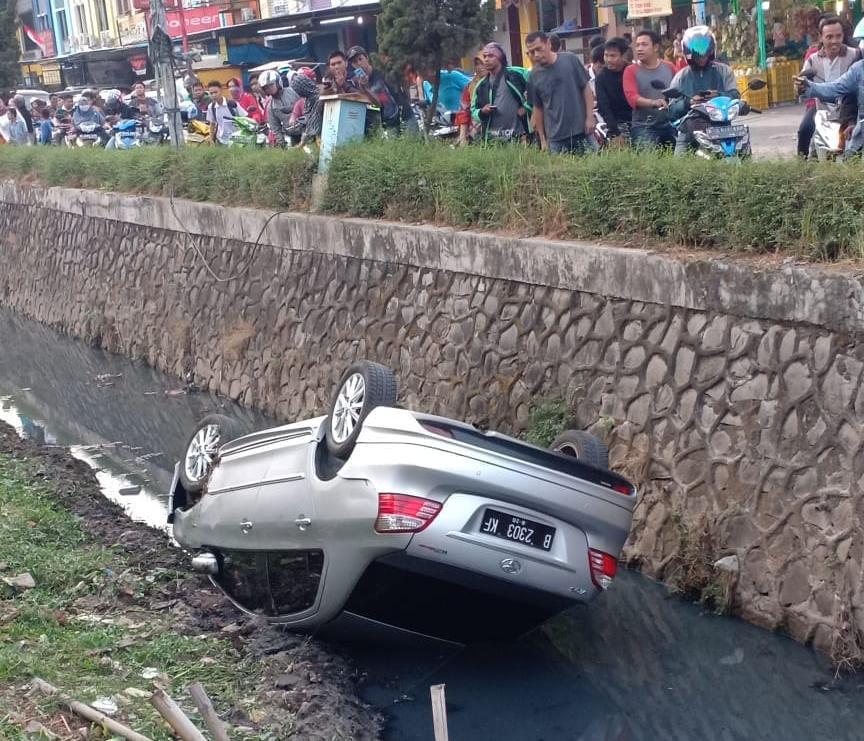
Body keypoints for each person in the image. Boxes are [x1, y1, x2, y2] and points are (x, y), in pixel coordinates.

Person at [668, 26, 739, 155]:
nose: (701, 57)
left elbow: (735, 95)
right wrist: (689, 102)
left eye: (704, 53)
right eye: (697, 53)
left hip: (721, 127)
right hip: (690, 130)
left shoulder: (724, 71)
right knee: (678, 165)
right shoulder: (681, 77)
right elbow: (672, 109)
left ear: (711, 51)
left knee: (742, 153)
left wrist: (718, 96)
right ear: (688, 53)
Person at [797, 16, 859, 157]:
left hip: (848, 110)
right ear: (821, 37)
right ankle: (801, 165)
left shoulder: (854, 55)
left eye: (838, 36)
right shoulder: (813, 60)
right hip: (822, 109)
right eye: (829, 37)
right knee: (804, 130)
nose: (834, 41)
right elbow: (804, 90)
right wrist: (801, 87)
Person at [526, 31, 594, 154]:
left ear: (548, 44)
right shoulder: (533, 75)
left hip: (582, 131)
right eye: (531, 52)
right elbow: (538, 108)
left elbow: (586, 89)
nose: (536, 55)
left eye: (538, 49)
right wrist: (542, 139)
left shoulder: (570, 60)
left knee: (595, 167)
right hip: (555, 138)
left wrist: (590, 117)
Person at [796, 58, 864, 158]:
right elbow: (834, 88)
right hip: (861, 136)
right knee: (849, 162)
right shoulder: (859, 69)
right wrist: (808, 86)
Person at [623, 29, 676, 149]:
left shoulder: (669, 67)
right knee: (649, 161)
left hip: (670, 124)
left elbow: (680, 88)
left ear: (656, 47)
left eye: (644, 44)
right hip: (643, 126)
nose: (639, 48)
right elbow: (632, 97)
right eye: (637, 45)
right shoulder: (631, 70)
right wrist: (653, 102)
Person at [470, 42, 531, 144]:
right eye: (484, 56)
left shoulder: (518, 74)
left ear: (500, 57)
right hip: (493, 140)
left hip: (519, 136)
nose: (486, 59)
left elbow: (537, 92)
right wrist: (482, 111)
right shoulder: (481, 85)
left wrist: (526, 107)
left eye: (491, 56)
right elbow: (473, 111)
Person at [347, 45, 402, 131]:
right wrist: (364, 88)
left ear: (367, 58)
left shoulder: (379, 73)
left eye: (360, 59)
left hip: (403, 114)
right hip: (387, 123)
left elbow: (382, 100)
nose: (358, 63)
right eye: (354, 62)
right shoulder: (358, 82)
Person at [595, 37, 632, 144]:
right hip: (616, 124)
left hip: (638, 122)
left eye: (613, 56)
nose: (609, 60)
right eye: (606, 55)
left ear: (623, 56)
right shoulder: (601, 77)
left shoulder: (631, 71)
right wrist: (615, 132)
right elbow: (603, 106)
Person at [258, 70, 299, 147]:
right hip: (293, 136)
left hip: (307, 130)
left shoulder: (294, 92)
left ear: (278, 83)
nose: (269, 88)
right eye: (266, 87)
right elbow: (275, 128)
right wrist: (283, 145)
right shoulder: (270, 106)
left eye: (271, 85)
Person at [457, 54, 486, 145]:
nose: (480, 67)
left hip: (500, 131)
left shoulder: (502, 82)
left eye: (483, 63)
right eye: (477, 64)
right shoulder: (470, 86)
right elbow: (464, 112)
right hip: (475, 134)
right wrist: (462, 138)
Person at [206, 80, 247, 145]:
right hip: (221, 141)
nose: (214, 95)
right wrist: (211, 140)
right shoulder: (211, 107)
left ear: (221, 91)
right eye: (211, 93)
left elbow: (245, 118)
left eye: (216, 92)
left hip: (236, 141)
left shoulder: (232, 104)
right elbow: (212, 124)